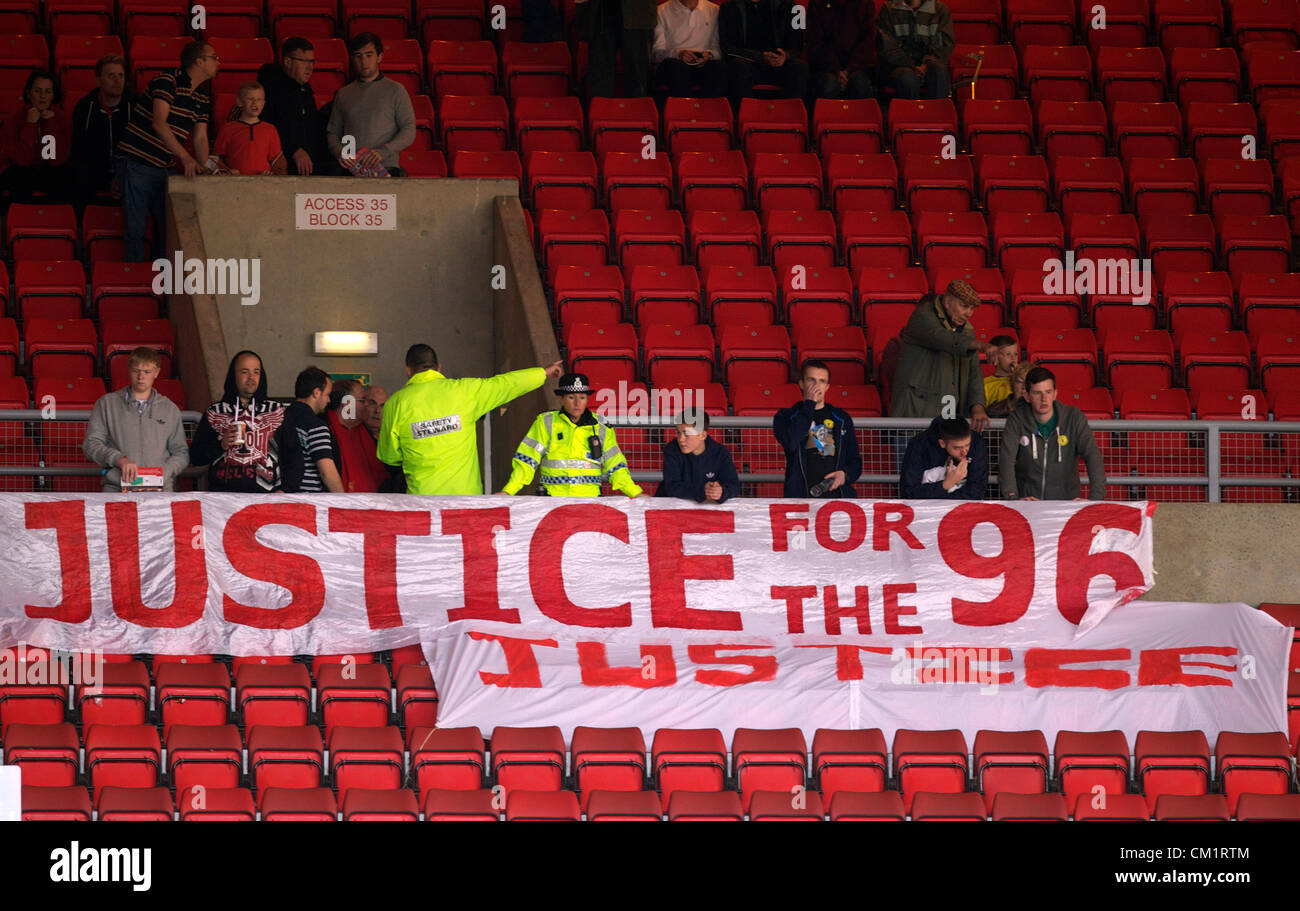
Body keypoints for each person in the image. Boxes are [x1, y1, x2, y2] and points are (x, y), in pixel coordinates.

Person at [377, 344, 563, 495]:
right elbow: (505, 384)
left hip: (422, 501)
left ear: (408, 370)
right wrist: (543, 373)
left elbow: (389, 457)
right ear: (439, 367)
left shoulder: (396, 403)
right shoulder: (464, 391)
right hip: (465, 500)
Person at [115, 40, 218, 262]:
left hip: (165, 167)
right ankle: (135, 280)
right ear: (199, 61)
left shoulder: (202, 97)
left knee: (172, 229)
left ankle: (166, 284)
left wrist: (203, 166)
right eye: (214, 58)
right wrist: (185, 157)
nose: (218, 62)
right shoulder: (167, 79)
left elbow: (200, 138)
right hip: (138, 162)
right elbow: (159, 123)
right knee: (136, 228)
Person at [502, 373, 643, 497]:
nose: (577, 403)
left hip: (590, 501)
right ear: (561, 399)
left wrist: (635, 493)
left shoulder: (602, 427)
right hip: (552, 500)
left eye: (582, 397)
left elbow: (616, 465)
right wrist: (509, 491)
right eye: (571, 397)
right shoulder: (545, 423)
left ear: (587, 399)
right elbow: (527, 460)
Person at [82, 347, 189, 492]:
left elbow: (181, 452)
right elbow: (91, 445)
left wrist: (163, 473)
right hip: (117, 489)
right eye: (136, 370)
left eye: (147, 372)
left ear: (156, 372)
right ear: (129, 370)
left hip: (159, 491)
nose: (141, 377)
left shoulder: (170, 409)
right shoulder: (107, 404)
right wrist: (119, 459)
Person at [891, 279, 992, 432]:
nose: (968, 314)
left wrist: (978, 407)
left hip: (950, 415)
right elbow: (942, 338)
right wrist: (982, 345)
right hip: (916, 414)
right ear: (947, 301)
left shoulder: (966, 331)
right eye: (964, 306)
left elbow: (974, 374)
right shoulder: (923, 316)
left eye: (972, 309)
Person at [1000, 366, 1107, 501]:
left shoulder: (1073, 417)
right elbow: (1006, 460)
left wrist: (1095, 499)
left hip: (1065, 505)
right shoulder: (1016, 419)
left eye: (1048, 392)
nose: (1044, 399)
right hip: (1029, 505)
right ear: (1027, 396)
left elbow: (1093, 456)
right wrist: (1013, 499)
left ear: (1055, 394)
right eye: (1037, 393)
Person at [188, 349, 285, 492]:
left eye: (256, 372)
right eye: (245, 372)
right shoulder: (215, 412)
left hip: (267, 497)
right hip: (223, 498)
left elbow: (294, 455)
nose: (251, 377)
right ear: (233, 375)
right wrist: (221, 445)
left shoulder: (277, 410)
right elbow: (196, 456)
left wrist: (285, 489)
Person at [326, 32, 415, 177]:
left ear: (380, 57)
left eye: (369, 55)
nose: (364, 61)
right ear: (352, 59)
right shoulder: (343, 94)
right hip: (351, 171)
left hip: (386, 169)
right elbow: (333, 132)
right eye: (358, 56)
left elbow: (409, 130)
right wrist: (340, 153)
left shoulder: (396, 90)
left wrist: (384, 151)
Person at [773, 359, 864, 498]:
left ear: (827, 386)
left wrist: (844, 475)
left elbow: (855, 461)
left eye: (822, 381)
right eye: (811, 380)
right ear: (801, 384)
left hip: (837, 497)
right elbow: (791, 442)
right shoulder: (786, 416)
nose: (817, 385)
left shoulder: (841, 418)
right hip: (800, 496)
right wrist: (809, 404)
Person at [257, 37, 329, 176]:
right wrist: (294, 150)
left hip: (308, 168)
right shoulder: (270, 91)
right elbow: (267, 129)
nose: (310, 67)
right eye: (304, 61)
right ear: (288, 61)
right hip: (280, 168)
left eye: (312, 61)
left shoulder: (306, 91)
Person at [719, 0, 809, 107]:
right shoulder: (728, 7)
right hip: (748, 63)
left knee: (800, 68)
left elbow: (797, 46)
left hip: (780, 64)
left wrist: (785, 55)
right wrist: (759, 57)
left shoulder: (793, 7)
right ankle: (748, 114)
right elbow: (727, 47)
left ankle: (786, 115)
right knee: (738, 67)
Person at [3, 69, 73, 203]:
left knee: (62, 175)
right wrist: (30, 124)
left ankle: (57, 220)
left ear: (53, 95)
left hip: (50, 170)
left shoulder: (62, 118)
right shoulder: (15, 118)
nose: (42, 96)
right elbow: (21, 160)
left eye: (48, 92)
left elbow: (56, 160)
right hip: (25, 169)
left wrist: (50, 124)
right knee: (18, 175)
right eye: (37, 91)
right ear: (28, 94)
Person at [71, 54, 132, 204]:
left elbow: (140, 150)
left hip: (127, 171)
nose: (117, 81)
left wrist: (119, 177)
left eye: (121, 75)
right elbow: (79, 150)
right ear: (98, 80)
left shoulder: (135, 106)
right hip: (94, 171)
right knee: (76, 176)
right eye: (111, 76)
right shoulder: (84, 107)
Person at [277, 366, 344, 493]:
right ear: (316, 392)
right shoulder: (316, 426)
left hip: (279, 495)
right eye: (328, 394)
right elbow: (328, 473)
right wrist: (342, 502)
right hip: (308, 500)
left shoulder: (278, 419)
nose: (329, 400)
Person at [576, 0, 658, 99]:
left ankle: (637, 111)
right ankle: (599, 111)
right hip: (600, 12)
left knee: (637, 78)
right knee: (600, 77)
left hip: (638, 14)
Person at [877, 0, 955, 100]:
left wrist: (926, 64)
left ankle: (937, 113)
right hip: (898, 66)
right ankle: (909, 115)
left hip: (929, 64)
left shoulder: (940, 10)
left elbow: (944, 45)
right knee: (907, 77)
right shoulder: (889, 9)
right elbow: (887, 46)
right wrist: (912, 66)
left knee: (939, 71)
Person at [656, 409, 739, 502]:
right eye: (678, 432)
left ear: (702, 435)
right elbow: (672, 487)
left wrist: (721, 492)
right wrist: (703, 492)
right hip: (671, 506)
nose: (681, 439)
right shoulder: (672, 449)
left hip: (708, 509)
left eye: (687, 434)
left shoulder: (720, 453)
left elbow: (733, 486)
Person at [899, 416, 988, 499]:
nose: (964, 452)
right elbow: (908, 492)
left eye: (967, 445)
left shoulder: (976, 443)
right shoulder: (919, 445)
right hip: (926, 510)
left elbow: (977, 490)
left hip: (962, 509)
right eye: (957, 447)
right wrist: (946, 484)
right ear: (942, 443)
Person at [325, 378, 389, 492]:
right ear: (347, 404)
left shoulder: (363, 431)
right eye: (362, 400)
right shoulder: (325, 431)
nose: (366, 405)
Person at [652, 0, 726, 98]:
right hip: (673, 62)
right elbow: (657, 52)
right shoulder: (661, 11)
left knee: (719, 68)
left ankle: (710, 110)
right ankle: (683, 111)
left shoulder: (714, 10)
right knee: (677, 68)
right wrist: (678, 54)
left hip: (702, 62)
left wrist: (709, 54)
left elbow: (718, 49)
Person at [210, 82, 285, 174]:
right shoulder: (227, 129)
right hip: (234, 184)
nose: (255, 103)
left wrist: (272, 175)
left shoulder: (270, 129)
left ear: (264, 103)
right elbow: (215, 158)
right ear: (239, 102)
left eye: (259, 99)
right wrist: (227, 172)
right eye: (250, 99)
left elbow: (278, 162)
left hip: (263, 184)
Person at [807, 0, 876, 99]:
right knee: (828, 84)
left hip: (857, 67)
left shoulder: (865, 4)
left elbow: (868, 44)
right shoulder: (817, 4)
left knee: (859, 83)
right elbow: (816, 43)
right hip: (826, 67)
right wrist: (836, 70)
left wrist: (848, 70)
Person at [982, 334, 1020, 413]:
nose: (1013, 358)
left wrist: (1018, 375)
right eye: (1008, 354)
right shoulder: (985, 384)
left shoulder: (1021, 380)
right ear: (994, 357)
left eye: (1015, 354)